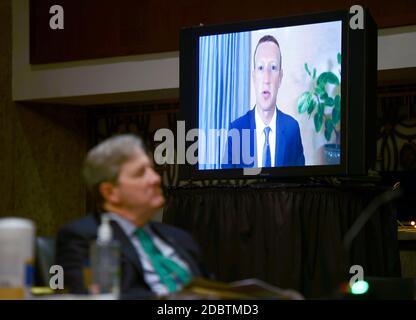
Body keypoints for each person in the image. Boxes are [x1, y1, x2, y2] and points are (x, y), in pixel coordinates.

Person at [56, 134, 209, 299]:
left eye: (153, 170)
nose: (156, 179)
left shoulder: (180, 238)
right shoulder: (84, 237)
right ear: (110, 192)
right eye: (141, 173)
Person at [222, 35, 305, 168]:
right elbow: (226, 185)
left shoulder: (292, 129)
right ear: (254, 77)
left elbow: (302, 183)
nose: (266, 79)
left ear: (280, 78)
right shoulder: (237, 129)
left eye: (273, 68)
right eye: (260, 68)